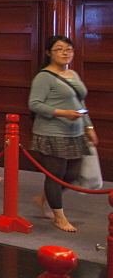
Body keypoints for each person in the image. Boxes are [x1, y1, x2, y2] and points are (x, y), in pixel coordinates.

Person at [29, 35, 99, 232]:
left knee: (73, 174)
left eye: (68, 49)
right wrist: (63, 113)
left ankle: (43, 198)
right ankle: (59, 217)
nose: (65, 53)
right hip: (52, 132)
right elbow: (34, 104)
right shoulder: (44, 76)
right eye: (59, 49)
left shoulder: (73, 75)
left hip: (75, 133)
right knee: (55, 175)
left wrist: (89, 127)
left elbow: (80, 103)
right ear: (49, 53)